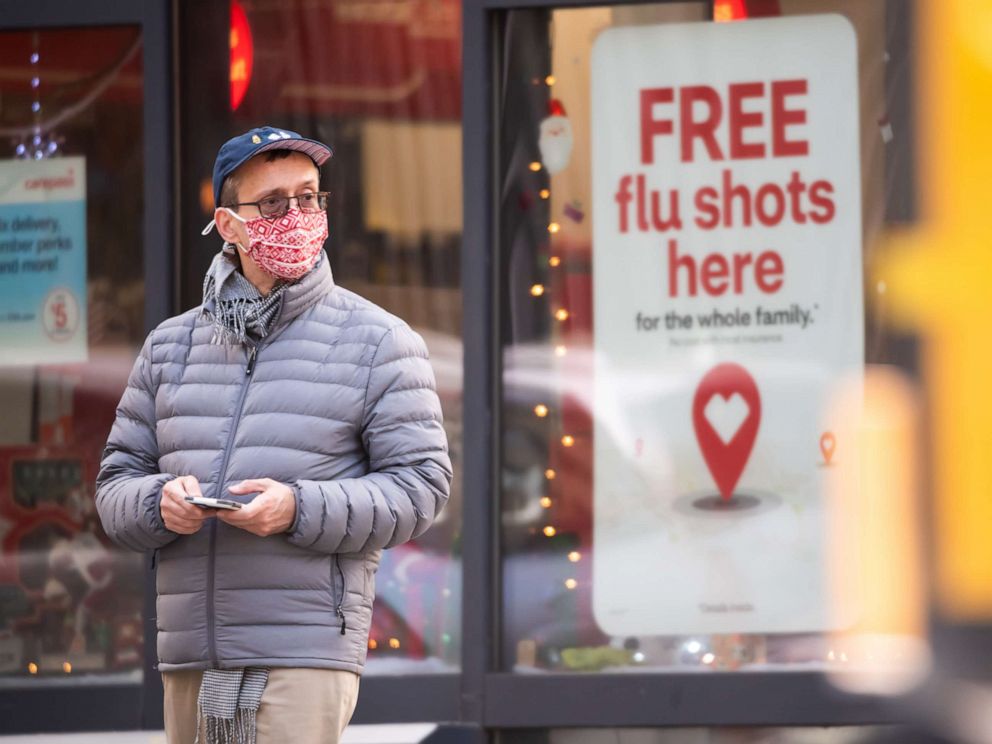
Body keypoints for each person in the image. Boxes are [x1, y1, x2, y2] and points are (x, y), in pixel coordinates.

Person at [95, 126, 452, 744]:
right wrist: (160, 504)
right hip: (192, 655)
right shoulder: (170, 346)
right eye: (275, 203)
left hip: (304, 649)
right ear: (228, 225)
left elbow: (422, 488)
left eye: (310, 198)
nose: (298, 216)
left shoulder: (379, 342)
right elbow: (114, 487)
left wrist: (297, 507)